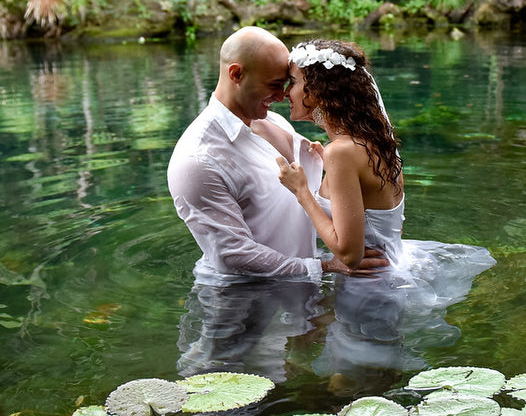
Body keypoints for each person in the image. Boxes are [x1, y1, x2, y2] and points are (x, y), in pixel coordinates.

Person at [274, 39, 495, 348]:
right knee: (372, 380)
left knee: (351, 386)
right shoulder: (375, 141)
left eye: (294, 83)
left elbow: (350, 255)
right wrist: (329, 165)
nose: (286, 93)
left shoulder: (342, 153)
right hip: (391, 273)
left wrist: (302, 192)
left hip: (368, 291)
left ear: (321, 89)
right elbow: (378, 209)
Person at [167, 26, 385, 284]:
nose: (282, 96)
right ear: (236, 74)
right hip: (240, 304)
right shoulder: (198, 159)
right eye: (274, 85)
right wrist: (324, 267)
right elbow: (232, 256)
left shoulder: (277, 122)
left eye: (286, 84)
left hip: (302, 292)